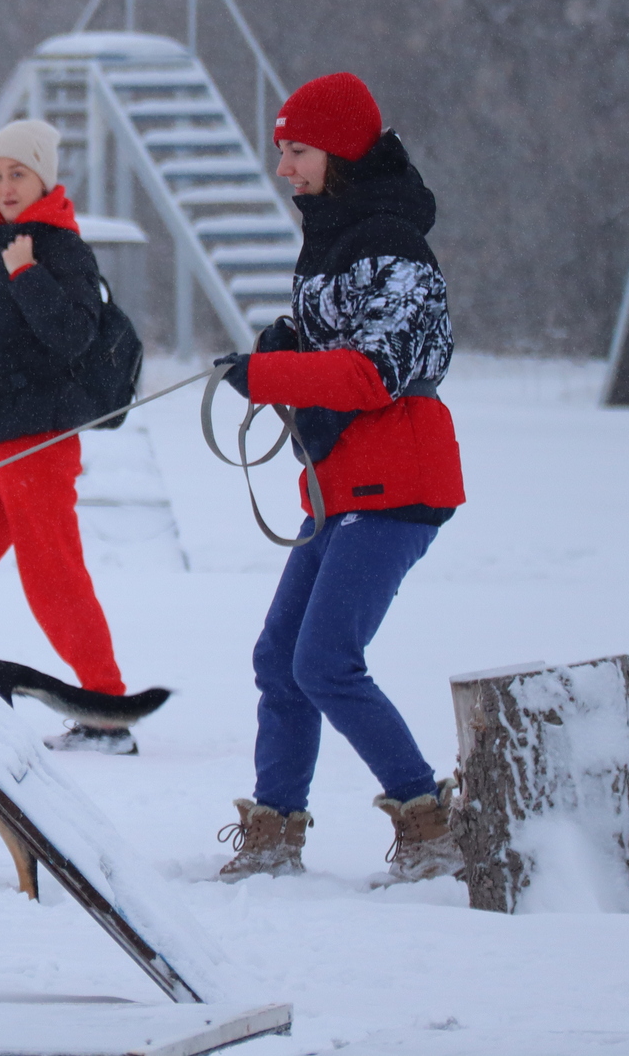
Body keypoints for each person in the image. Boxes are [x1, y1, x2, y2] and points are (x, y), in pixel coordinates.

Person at [210, 71, 466, 884]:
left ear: (342, 150)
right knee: (279, 656)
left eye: (297, 149)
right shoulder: (332, 236)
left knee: (324, 660)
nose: (283, 165)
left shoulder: (392, 243)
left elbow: (371, 374)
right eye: (282, 149)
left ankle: (427, 824)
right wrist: (287, 337)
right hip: (341, 488)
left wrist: (274, 373)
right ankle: (274, 829)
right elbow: (334, 342)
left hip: (398, 483)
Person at [0, 119, 135, 754]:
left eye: (18, 174)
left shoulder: (62, 250)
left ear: (44, 176)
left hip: (38, 443)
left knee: (53, 581)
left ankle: (108, 714)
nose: (6, 186)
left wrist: (28, 275)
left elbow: (72, 339)